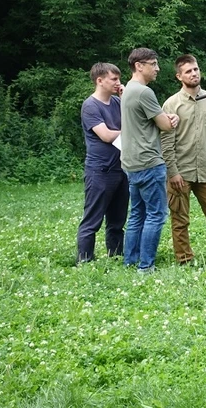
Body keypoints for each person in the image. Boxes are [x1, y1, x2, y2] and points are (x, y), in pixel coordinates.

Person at [160, 54, 206, 267]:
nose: (194, 73)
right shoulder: (172, 104)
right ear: (179, 76)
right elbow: (166, 142)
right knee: (180, 220)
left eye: (196, 69)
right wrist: (172, 172)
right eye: (188, 71)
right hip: (181, 171)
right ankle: (184, 260)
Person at [121, 48, 179, 273]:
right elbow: (164, 125)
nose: (157, 68)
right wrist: (172, 118)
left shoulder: (128, 90)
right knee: (156, 214)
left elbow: (150, 121)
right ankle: (145, 266)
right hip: (149, 162)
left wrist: (164, 119)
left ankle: (131, 261)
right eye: (152, 64)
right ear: (139, 66)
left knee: (137, 213)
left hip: (131, 162)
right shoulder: (144, 92)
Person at [76, 62, 129, 263]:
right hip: (99, 170)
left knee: (117, 221)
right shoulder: (90, 105)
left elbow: (132, 121)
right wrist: (132, 134)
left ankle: (115, 257)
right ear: (100, 80)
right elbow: (106, 135)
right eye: (114, 79)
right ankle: (84, 260)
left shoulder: (117, 102)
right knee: (92, 220)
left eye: (119, 78)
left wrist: (125, 100)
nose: (118, 83)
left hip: (121, 168)